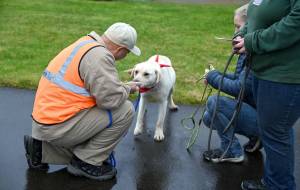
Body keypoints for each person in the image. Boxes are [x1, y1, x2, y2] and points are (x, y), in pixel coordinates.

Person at [24, 22, 141, 181]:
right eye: (126, 53)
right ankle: (86, 162)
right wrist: (129, 89)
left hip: (46, 122)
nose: (125, 56)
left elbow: (97, 87)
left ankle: (42, 149)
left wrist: (122, 86)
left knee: (101, 122)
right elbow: (110, 101)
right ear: (120, 50)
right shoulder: (100, 57)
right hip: (58, 126)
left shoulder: (85, 44)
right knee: (125, 110)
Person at [233, 0, 300, 189]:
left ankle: (279, 186)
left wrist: (252, 41)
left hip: (286, 76)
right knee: (274, 133)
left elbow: (295, 24)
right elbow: (257, 18)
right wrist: (242, 35)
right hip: (264, 71)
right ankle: (273, 182)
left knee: (276, 133)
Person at [202, 3, 262, 163]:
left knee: (214, 103)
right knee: (208, 117)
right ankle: (255, 136)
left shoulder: (255, 54)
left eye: (238, 27)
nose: (235, 32)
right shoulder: (247, 50)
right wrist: (214, 75)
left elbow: (239, 87)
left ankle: (233, 151)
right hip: (255, 111)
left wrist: (214, 77)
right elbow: (239, 79)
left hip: (265, 120)